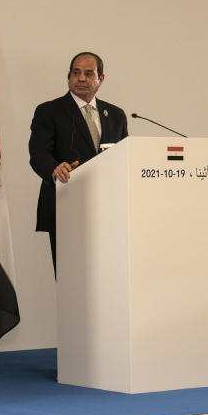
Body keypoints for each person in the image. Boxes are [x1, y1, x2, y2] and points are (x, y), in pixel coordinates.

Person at [28, 51, 127, 273]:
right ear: (69, 77)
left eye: (88, 73)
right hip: (66, 205)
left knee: (108, 275)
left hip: (109, 210)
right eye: (75, 73)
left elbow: (124, 158)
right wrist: (54, 168)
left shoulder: (116, 115)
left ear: (100, 79)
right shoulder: (49, 111)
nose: (81, 78)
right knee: (70, 278)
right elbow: (38, 154)